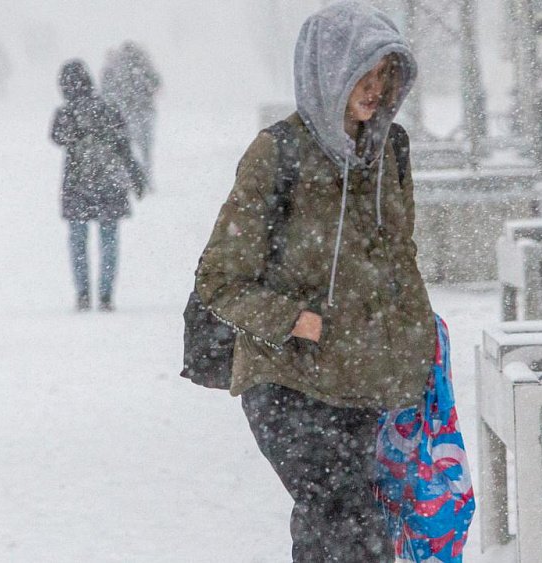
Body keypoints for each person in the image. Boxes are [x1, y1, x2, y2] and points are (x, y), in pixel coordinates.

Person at [195, 2, 436, 560]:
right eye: (363, 75)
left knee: (341, 523)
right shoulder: (278, 152)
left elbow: (399, 258)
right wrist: (297, 321)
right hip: (286, 379)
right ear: (329, 71)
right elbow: (219, 279)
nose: (375, 90)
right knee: (344, 519)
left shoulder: (391, 150)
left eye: (385, 76)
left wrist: (419, 336)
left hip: (361, 378)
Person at [51, 59, 145, 312]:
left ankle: (83, 293)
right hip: (109, 184)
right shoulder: (108, 109)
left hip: (77, 183)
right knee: (109, 239)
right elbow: (123, 146)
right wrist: (136, 176)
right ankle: (105, 294)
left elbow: (56, 137)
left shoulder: (66, 113)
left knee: (78, 240)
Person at [100, 41, 160, 181]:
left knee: (129, 145)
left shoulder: (118, 70)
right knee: (144, 147)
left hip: (130, 112)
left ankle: (132, 175)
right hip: (144, 111)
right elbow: (157, 84)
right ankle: (145, 175)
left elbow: (108, 91)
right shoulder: (144, 68)